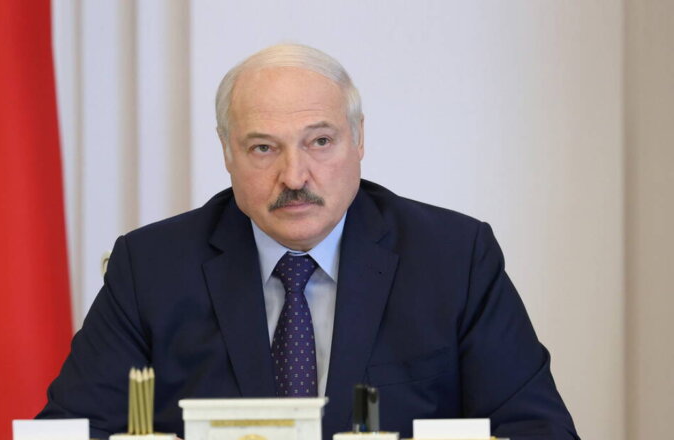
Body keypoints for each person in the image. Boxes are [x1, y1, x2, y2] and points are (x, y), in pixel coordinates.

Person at [39, 44, 579, 440]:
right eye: (263, 148)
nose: (295, 176)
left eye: (320, 141)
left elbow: (537, 429)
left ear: (359, 139)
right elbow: (71, 430)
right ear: (226, 152)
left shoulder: (454, 258)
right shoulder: (151, 268)